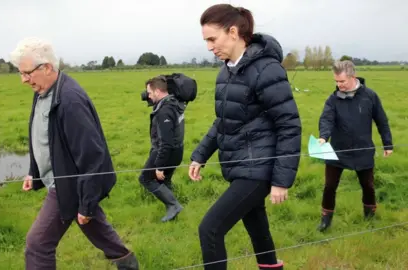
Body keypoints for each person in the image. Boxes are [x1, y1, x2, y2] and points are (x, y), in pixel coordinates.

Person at [188, 4, 302, 270]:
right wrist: (200, 155)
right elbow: (224, 121)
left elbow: (289, 125)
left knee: (210, 229)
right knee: (257, 226)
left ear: (233, 31)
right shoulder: (226, 71)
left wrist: (281, 181)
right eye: (206, 40)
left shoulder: (266, 70)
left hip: (258, 168)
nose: (209, 47)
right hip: (240, 165)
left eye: (212, 39)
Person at [10, 37, 139, 270]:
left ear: (47, 67)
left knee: (38, 244)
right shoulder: (43, 92)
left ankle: (125, 260)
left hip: (66, 183)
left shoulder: (69, 99)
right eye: (21, 73)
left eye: (27, 73)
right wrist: (34, 171)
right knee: (92, 225)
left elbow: (92, 155)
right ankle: (127, 262)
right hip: (64, 178)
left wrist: (87, 202)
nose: (23, 80)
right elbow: (42, 137)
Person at [316, 60, 393, 232]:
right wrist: (323, 137)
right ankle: (325, 221)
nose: (338, 85)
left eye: (342, 81)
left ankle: (370, 217)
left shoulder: (370, 96)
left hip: (363, 150)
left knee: (368, 186)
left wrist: (388, 144)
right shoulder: (333, 99)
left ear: (353, 77)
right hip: (337, 151)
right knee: (329, 186)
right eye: (336, 81)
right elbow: (326, 119)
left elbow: (382, 121)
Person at [139, 76, 185, 222]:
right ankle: (173, 213)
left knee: (146, 178)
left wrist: (159, 166)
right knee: (164, 182)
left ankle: (173, 205)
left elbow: (166, 142)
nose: (149, 96)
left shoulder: (164, 111)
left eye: (150, 92)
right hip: (178, 151)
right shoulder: (174, 102)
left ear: (158, 91)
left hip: (166, 152)